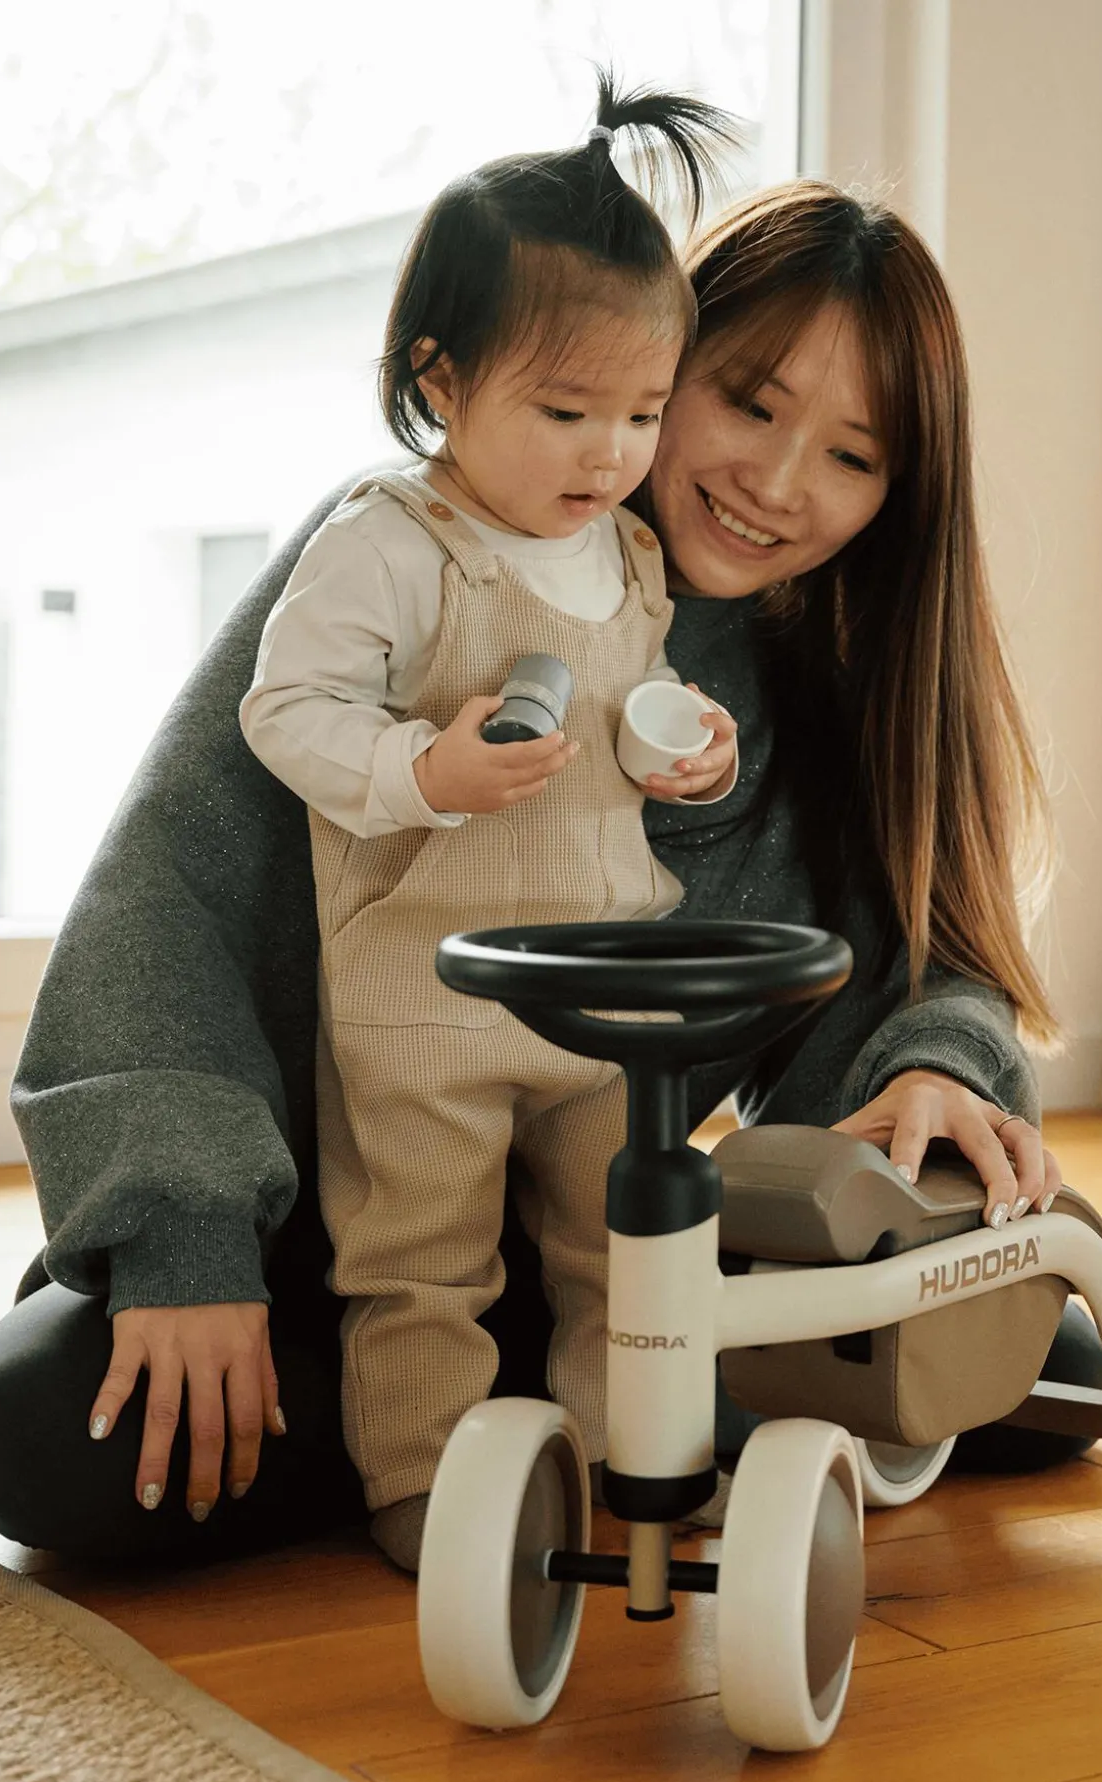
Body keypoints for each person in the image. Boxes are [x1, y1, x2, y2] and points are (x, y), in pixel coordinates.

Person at [0, 175, 1101, 1565]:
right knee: (37, 1434)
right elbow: (169, 894)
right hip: (340, 1239)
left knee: (1047, 1358)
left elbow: (921, 962)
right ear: (655, 355)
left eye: (854, 458)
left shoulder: (831, 689)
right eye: (748, 403)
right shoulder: (398, 554)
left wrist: (930, 1065)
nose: (780, 484)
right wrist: (184, 1241)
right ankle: (465, 1427)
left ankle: (555, 1424)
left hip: (613, 1250)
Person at [238, 80, 741, 1569]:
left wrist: (685, 756)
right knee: (417, 1261)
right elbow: (283, 710)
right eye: (565, 412)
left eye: (642, 414)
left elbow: (625, 716)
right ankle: (432, 1485)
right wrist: (421, 772)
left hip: (610, 983)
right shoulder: (392, 543)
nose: (609, 453)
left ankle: (639, 1453)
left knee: (635, 1249)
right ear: (442, 381)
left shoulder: (630, 554)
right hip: (429, 997)